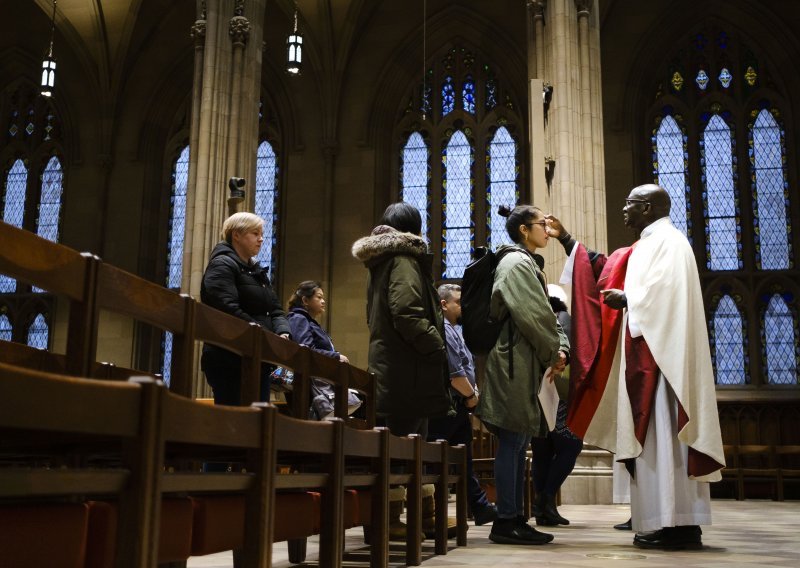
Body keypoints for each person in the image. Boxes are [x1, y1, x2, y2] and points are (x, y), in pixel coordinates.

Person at [547, 183, 725, 549]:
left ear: (646, 207)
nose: (623, 210)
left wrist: (629, 299)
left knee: (667, 442)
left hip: (664, 369)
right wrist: (566, 239)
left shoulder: (670, 243)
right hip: (650, 361)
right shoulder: (647, 245)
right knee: (657, 445)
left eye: (628, 204)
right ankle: (668, 524)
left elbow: (666, 295)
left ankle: (680, 526)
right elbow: (603, 268)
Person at [474, 204, 569, 546]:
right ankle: (506, 520)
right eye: (541, 224)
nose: (548, 228)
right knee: (512, 442)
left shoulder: (525, 262)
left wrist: (560, 350)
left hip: (524, 361)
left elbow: (543, 314)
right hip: (513, 362)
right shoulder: (515, 263)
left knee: (519, 444)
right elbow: (533, 316)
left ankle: (515, 518)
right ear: (524, 231)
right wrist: (554, 351)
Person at [351, 202, 451, 437]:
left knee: (397, 452)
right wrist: (437, 347)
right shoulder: (403, 260)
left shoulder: (381, 262)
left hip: (395, 369)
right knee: (406, 455)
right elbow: (407, 314)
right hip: (408, 374)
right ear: (414, 230)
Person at [200, 212, 290, 406]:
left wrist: (282, 332)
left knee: (257, 424)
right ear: (236, 235)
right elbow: (226, 309)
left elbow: (275, 309)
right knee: (234, 425)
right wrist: (265, 335)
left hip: (258, 356)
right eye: (255, 233)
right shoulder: (222, 264)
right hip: (230, 358)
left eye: (262, 233)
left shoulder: (256, 271)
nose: (261, 238)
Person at [427, 283, 498, 526]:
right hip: (447, 403)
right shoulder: (443, 330)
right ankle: (430, 511)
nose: (463, 306)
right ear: (444, 304)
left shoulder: (457, 330)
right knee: (435, 461)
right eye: (458, 301)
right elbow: (454, 371)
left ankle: (480, 508)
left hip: (460, 402)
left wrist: (472, 393)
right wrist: (471, 396)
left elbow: (467, 367)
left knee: (464, 458)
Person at [530, 284, 583, 527]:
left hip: (537, 394)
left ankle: (542, 507)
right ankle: (547, 500)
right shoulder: (564, 319)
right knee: (571, 445)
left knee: (542, 452)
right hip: (558, 395)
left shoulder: (535, 319)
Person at [286, 281, 361, 420]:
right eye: (319, 297)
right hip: (307, 388)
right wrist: (336, 356)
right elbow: (305, 350)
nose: (323, 301)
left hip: (317, 383)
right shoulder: (298, 319)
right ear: (305, 300)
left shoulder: (309, 321)